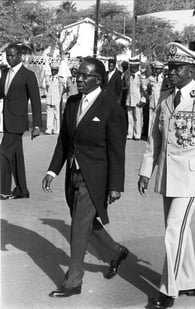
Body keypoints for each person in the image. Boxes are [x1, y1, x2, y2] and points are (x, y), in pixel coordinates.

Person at [138, 42, 195, 308]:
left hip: (192, 179)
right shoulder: (165, 98)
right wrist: (146, 171)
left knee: (174, 232)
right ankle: (188, 281)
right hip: (168, 176)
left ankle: (168, 291)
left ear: (193, 70)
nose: (170, 72)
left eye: (177, 67)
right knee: (179, 230)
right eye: (169, 67)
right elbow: (155, 138)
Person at [42, 56, 129, 298]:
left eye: (84, 75)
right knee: (85, 221)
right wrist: (53, 170)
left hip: (95, 178)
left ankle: (73, 280)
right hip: (73, 173)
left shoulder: (111, 106)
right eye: (77, 75)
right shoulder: (71, 103)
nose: (78, 79)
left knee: (79, 226)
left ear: (98, 79)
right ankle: (115, 252)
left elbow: (116, 149)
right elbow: (64, 141)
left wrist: (115, 186)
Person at [0, 43, 42, 200]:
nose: (9, 58)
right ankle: (22, 190)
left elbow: (36, 100)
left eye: (12, 55)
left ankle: (3, 190)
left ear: (20, 56)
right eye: (7, 55)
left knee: (3, 153)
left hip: (18, 122)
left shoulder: (28, 75)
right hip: (7, 120)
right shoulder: (5, 73)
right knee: (16, 156)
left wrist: (37, 124)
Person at [126, 56, 146, 140]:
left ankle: (137, 135)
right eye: (131, 66)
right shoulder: (130, 76)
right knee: (130, 118)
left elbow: (144, 90)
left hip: (138, 100)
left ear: (137, 67)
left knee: (137, 118)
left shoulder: (141, 76)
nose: (131, 68)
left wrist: (143, 100)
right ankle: (130, 134)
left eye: (133, 67)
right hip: (129, 100)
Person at [45, 64, 65, 135]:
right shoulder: (49, 78)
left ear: (57, 71)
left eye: (55, 70)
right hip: (50, 99)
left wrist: (59, 98)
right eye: (52, 70)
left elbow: (62, 89)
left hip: (56, 99)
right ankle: (49, 129)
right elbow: (47, 88)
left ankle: (57, 129)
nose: (53, 71)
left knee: (57, 115)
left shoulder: (60, 79)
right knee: (49, 114)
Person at [146, 61, 164, 137]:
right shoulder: (150, 78)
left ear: (161, 70)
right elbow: (146, 88)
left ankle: (159, 136)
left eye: (158, 69)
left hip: (160, 102)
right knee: (151, 119)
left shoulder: (164, 79)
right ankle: (150, 135)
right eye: (155, 69)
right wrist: (148, 90)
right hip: (152, 101)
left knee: (160, 119)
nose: (156, 71)